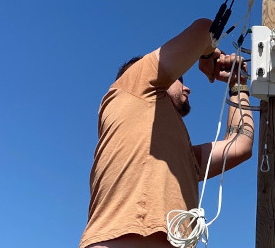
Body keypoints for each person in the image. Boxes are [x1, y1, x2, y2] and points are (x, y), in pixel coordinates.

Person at [79, 18, 254, 248]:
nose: (186, 87)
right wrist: (207, 56)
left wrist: (237, 85)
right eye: (179, 80)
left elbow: (241, 144)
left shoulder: (182, 156)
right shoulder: (133, 83)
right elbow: (204, 29)